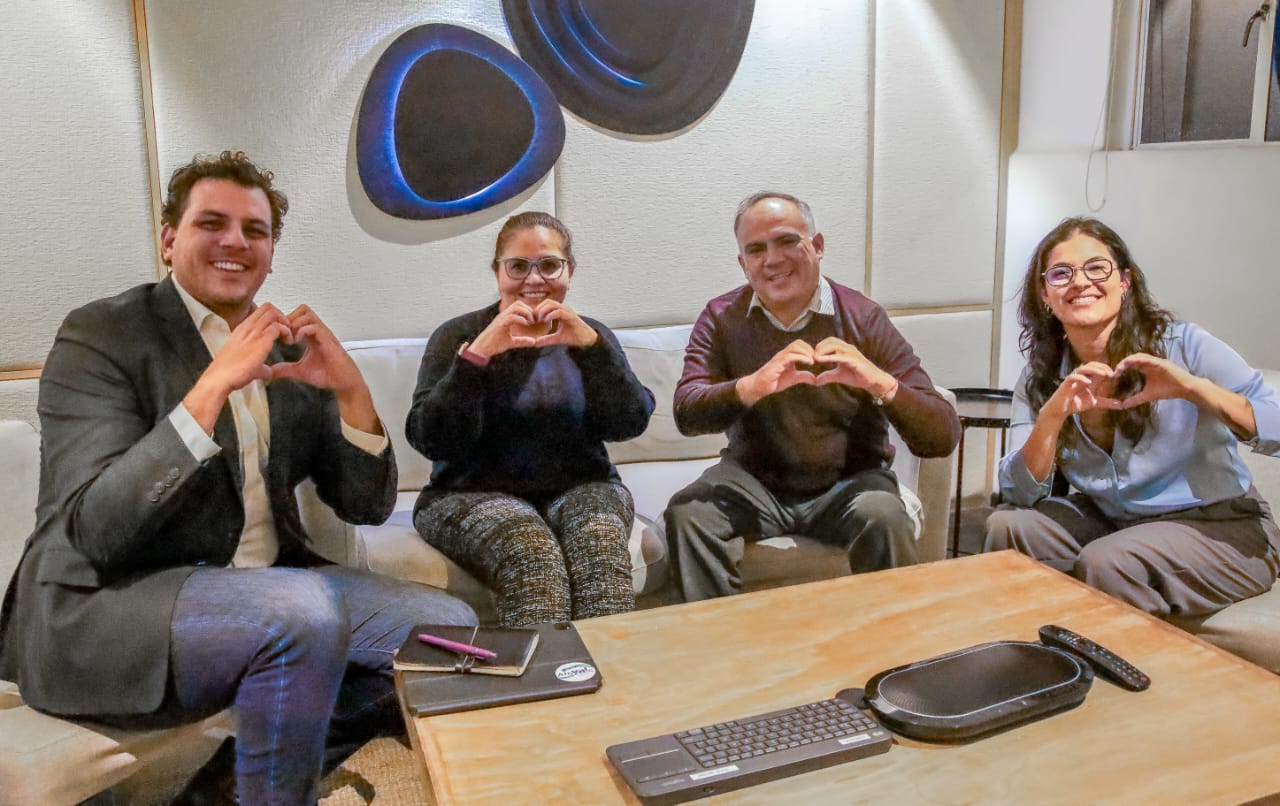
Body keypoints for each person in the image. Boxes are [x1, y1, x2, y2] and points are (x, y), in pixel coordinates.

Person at [0, 151, 476, 804]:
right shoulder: (103, 336)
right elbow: (96, 529)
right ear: (169, 240)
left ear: (271, 253)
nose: (235, 241)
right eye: (211, 223)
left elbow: (365, 504)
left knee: (448, 629)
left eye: (255, 230)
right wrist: (212, 386)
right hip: (109, 604)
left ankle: (227, 783)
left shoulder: (283, 349)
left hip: (273, 586)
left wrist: (352, 394)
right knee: (300, 615)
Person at [664, 191, 960, 602]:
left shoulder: (863, 317)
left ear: (817, 246)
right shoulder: (720, 316)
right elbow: (686, 411)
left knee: (884, 515)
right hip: (753, 481)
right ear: (743, 263)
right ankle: (721, 636)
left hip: (850, 482)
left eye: (787, 241)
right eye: (756, 250)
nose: (772, 260)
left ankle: (892, 635)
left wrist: (878, 382)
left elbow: (942, 435)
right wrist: (753, 385)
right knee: (688, 514)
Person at [985, 216, 1280, 618]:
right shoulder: (1041, 378)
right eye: (1061, 273)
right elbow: (1017, 493)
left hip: (1222, 526)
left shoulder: (1184, 346)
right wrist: (1050, 419)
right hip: (1116, 521)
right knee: (1008, 526)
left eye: (1096, 268)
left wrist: (1193, 388)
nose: (1080, 282)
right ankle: (1024, 649)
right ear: (1045, 295)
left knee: (1110, 561)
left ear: (1124, 282)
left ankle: (1112, 657)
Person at [407, 211, 655, 627]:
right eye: (518, 266)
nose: (534, 279)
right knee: (530, 549)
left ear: (569, 271)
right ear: (497, 272)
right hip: (466, 492)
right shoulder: (458, 335)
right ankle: (546, 668)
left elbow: (628, 423)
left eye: (549, 265)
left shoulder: (590, 335)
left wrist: (594, 350)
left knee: (599, 540)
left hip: (583, 485)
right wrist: (477, 357)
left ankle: (610, 666)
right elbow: (430, 438)